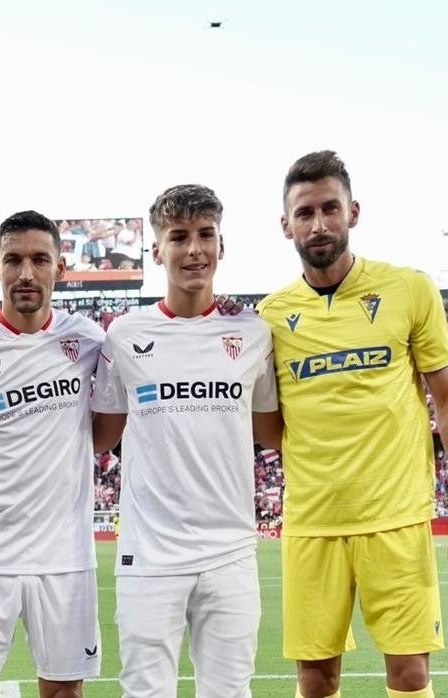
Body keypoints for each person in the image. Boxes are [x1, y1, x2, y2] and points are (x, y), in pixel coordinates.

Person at [256, 150, 448, 698]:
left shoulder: (409, 289)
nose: (319, 224)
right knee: (316, 678)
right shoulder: (269, 315)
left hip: (397, 516)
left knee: (409, 673)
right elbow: (268, 425)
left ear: (353, 212)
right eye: (305, 213)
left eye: (330, 208)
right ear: (285, 224)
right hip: (312, 520)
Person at [92, 184, 280, 698]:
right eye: (178, 237)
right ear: (156, 250)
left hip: (231, 551)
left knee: (229, 692)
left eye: (205, 235)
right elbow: (100, 436)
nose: (193, 249)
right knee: (146, 692)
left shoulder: (255, 333)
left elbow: (271, 431)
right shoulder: (124, 335)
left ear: (222, 244)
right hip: (149, 555)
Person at [0, 210, 104, 698]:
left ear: (60, 267)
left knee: (65, 692)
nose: (26, 273)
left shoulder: (89, 341)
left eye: (39, 260)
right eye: (14, 260)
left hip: (65, 554)